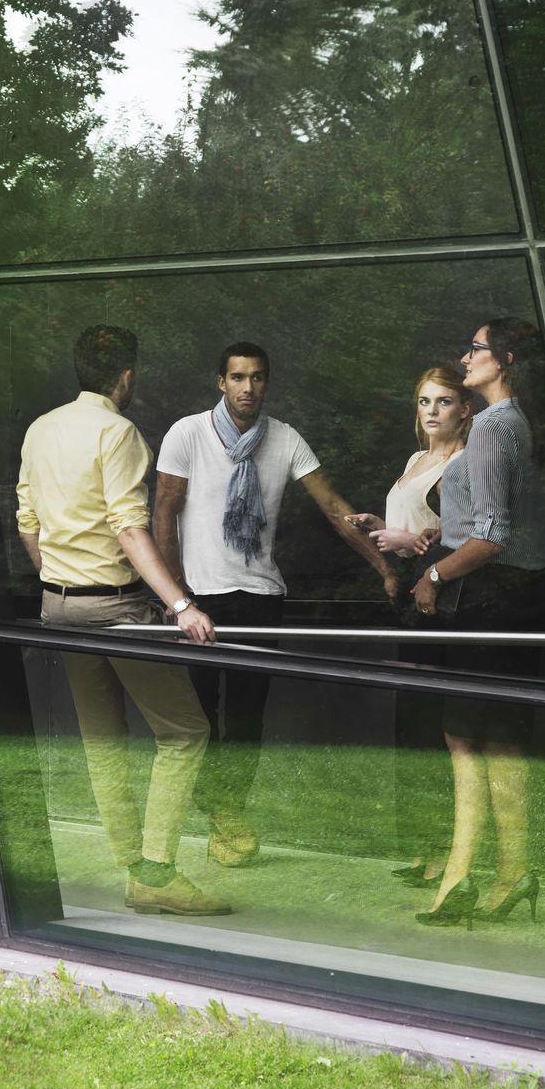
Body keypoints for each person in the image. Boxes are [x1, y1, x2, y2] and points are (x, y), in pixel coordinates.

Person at [153, 342, 400, 867]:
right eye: (238, 377)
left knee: (247, 720)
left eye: (258, 377)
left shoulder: (285, 439)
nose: (248, 388)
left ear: (267, 382)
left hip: (261, 598)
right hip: (200, 599)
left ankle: (229, 814)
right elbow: (163, 514)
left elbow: (334, 509)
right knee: (199, 719)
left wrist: (382, 567)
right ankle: (215, 812)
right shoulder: (187, 434)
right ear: (221, 382)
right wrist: (176, 597)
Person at [16, 325, 229, 916]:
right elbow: (129, 527)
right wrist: (182, 604)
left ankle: (135, 870)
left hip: (58, 606)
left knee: (102, 741)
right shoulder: (117, 432)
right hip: (114, 608)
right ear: (127, 376)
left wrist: (59, 581)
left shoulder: (41, 429)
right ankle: (155, 873)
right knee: (184, 731)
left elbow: (27, 524)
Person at [409, 318, 545, 926]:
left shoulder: (495, 425)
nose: (465, 357)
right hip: (515, 597)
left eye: (475, 348)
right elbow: (496, 522)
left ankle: (464, 876)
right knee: (496, 739)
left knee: (467, 736)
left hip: (490, 597)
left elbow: (493, 536)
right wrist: (441, 535)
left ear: (507, 359)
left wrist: (434, 574)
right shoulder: (518, 422)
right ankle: (504, 872)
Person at [346, 366, 474, 888]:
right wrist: (381, 529)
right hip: (408, 600)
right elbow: (414, 531)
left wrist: (408, 543)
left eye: (444, 401)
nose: (432, 411)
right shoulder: (416, 459)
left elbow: (461, 538)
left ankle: (446, 855)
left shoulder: (464, 464)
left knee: (435, 726)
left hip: (439, 601)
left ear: (465, 409)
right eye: (424, 401)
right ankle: (424, 848)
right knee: (412, 726)